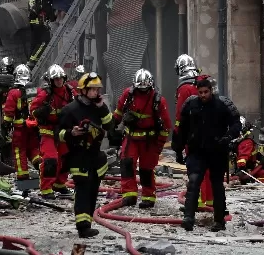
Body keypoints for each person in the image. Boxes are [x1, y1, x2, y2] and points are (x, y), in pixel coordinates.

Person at [172, 77, 241, 232]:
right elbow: (182, 128)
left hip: (217, 151)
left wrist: (228, 137)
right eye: (200, 92)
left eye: (206, 92)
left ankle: (219, 221)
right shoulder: (190, 105)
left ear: (211, 91)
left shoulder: (222, 105)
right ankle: (189, 218)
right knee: (194, 182)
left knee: (217, 185)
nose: (203, 95)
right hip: (197, 151)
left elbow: (237, 123)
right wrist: (178, 148)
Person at [58, 72, 113, 238]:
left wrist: (103, 107)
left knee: (93, 189)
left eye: (98, 89)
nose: (97, 92)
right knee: (83, 188)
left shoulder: (99, 108)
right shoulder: (70, 110)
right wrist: (71, 133)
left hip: (95, 156)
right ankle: (82, 227)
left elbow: (110, 125)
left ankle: (87, 223)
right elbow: (57, 133)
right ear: (83, 90)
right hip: (78, 155)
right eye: (93, 89)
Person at [114, 69, 171, 208]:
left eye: (144, 89)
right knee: (127, 164)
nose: (142, 91)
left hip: (149, 141)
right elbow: (118, 112)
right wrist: (112, 127)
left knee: (146, 168)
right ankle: (129, 195)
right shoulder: (128, 94)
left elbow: (166, 126)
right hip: (131, 137)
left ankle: (148, 196)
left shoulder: (158, 100)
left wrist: (159, 145)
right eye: (140, 89)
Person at [30, 64, 76, 198]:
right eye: (56, 79)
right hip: (48, 132)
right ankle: (46, 189)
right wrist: (41, 112)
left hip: (63, 131)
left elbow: (78, 105)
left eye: (60, 78)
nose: (59, 81)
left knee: (66, 159)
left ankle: (60, 184)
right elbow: (32, 109)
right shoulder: (45, 94)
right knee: (50, 159)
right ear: (51, 80)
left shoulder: (70, 92)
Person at [173, 54, 213, 209]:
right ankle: (208, 200)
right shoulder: (203, 83)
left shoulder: (185, 89)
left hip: (193, 136)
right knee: (208, 169)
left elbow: (180, 117)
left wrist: (178, 144)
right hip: (210, 133)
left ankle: (196, 202)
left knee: (195, 170)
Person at [1, 64, 41, 180]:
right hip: (33, 127)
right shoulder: (36, 91)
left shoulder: (13, 93)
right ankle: (40, 165)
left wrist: (6, 126)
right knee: (34, 149)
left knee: (19, 151)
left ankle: (23, 176)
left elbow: (9, 112)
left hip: (20, 129)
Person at [234, 116, 264, 186]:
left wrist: (260, 157)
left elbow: (251, 153)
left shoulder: (242, 142)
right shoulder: (247, 142)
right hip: (247, 171)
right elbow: (243, 157)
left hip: (250, 169)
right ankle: (251, 180)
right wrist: (241, 168)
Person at [27, 0, 56, 70]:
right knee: (44, 42)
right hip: (40, 26)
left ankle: (31, 61)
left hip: (34, 26)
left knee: (34, 44)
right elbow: (51, 15)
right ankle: (33, 60)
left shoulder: (35, 0)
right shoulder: (44, 0)